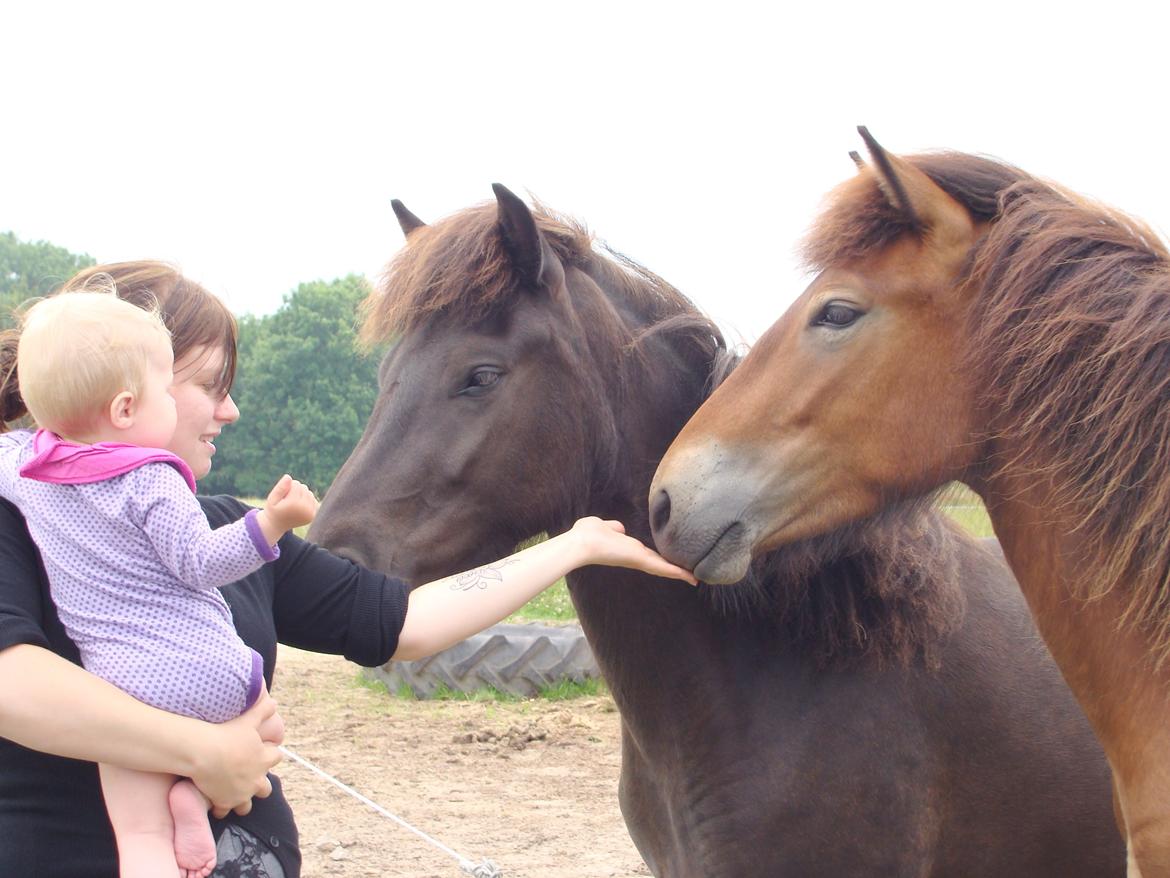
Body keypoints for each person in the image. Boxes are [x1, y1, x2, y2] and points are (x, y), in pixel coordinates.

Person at [0, 261, 696, 878]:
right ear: (123, 394)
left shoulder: (226, 530)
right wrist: (206, 751)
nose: (231, 409)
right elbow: (13, 683)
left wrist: (572, 546)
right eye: (210, 384)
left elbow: (407, 622)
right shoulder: (17, 514)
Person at [0, 290, 319, 878]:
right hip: (209, 673)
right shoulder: (151, 479)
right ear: (126, 409)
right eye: (165, 387)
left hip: (122, 689)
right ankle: (194, 797)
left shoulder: (22, 469)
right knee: (265, 728)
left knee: (140, 836)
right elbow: (201, 561)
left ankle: (178, 813)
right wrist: (270, 522)